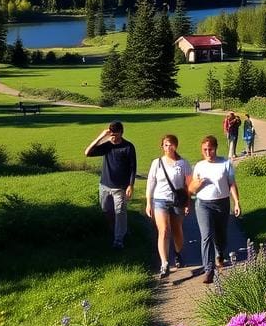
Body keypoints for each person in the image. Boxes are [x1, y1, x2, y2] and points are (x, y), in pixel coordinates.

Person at [189, 135, 241, 284]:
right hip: (203, 204)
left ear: (215, 148)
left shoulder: (225, 163)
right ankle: (208, 270)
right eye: (204, 150)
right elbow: (191, 189)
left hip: (222, 203)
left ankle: (220, 254)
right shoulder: (199, 166)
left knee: (220, 235)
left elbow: (231, 184)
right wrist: (196, 185)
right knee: (206, 236)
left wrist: (236, 202)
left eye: (210, 149)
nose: (207, 152)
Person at [145, 134, 192, 278]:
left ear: (176, 146)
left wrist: (187, 203)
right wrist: (148, 202)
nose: (168, 147)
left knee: (177, 230)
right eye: (165, 144)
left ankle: (178, 253)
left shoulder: (183, 163)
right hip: (160, 200)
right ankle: (164, 264)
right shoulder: (157, 163)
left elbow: (189, 185)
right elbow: (151, 182)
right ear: (162, 147)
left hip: (177, 201)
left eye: (171, 144)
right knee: (164, 230)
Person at [85, 120, 137, 249]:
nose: (113, 137)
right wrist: (101, 136)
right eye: (111, 134)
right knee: (106, 210)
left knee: (119, 212)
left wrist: (130, 185)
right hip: (104, 185)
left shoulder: (128, 147)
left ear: (121, 132)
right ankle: (118, 230)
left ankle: (118, 240)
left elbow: (132, 167)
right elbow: (87, 152)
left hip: (120, 187)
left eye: (115, 134)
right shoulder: (107, 145)